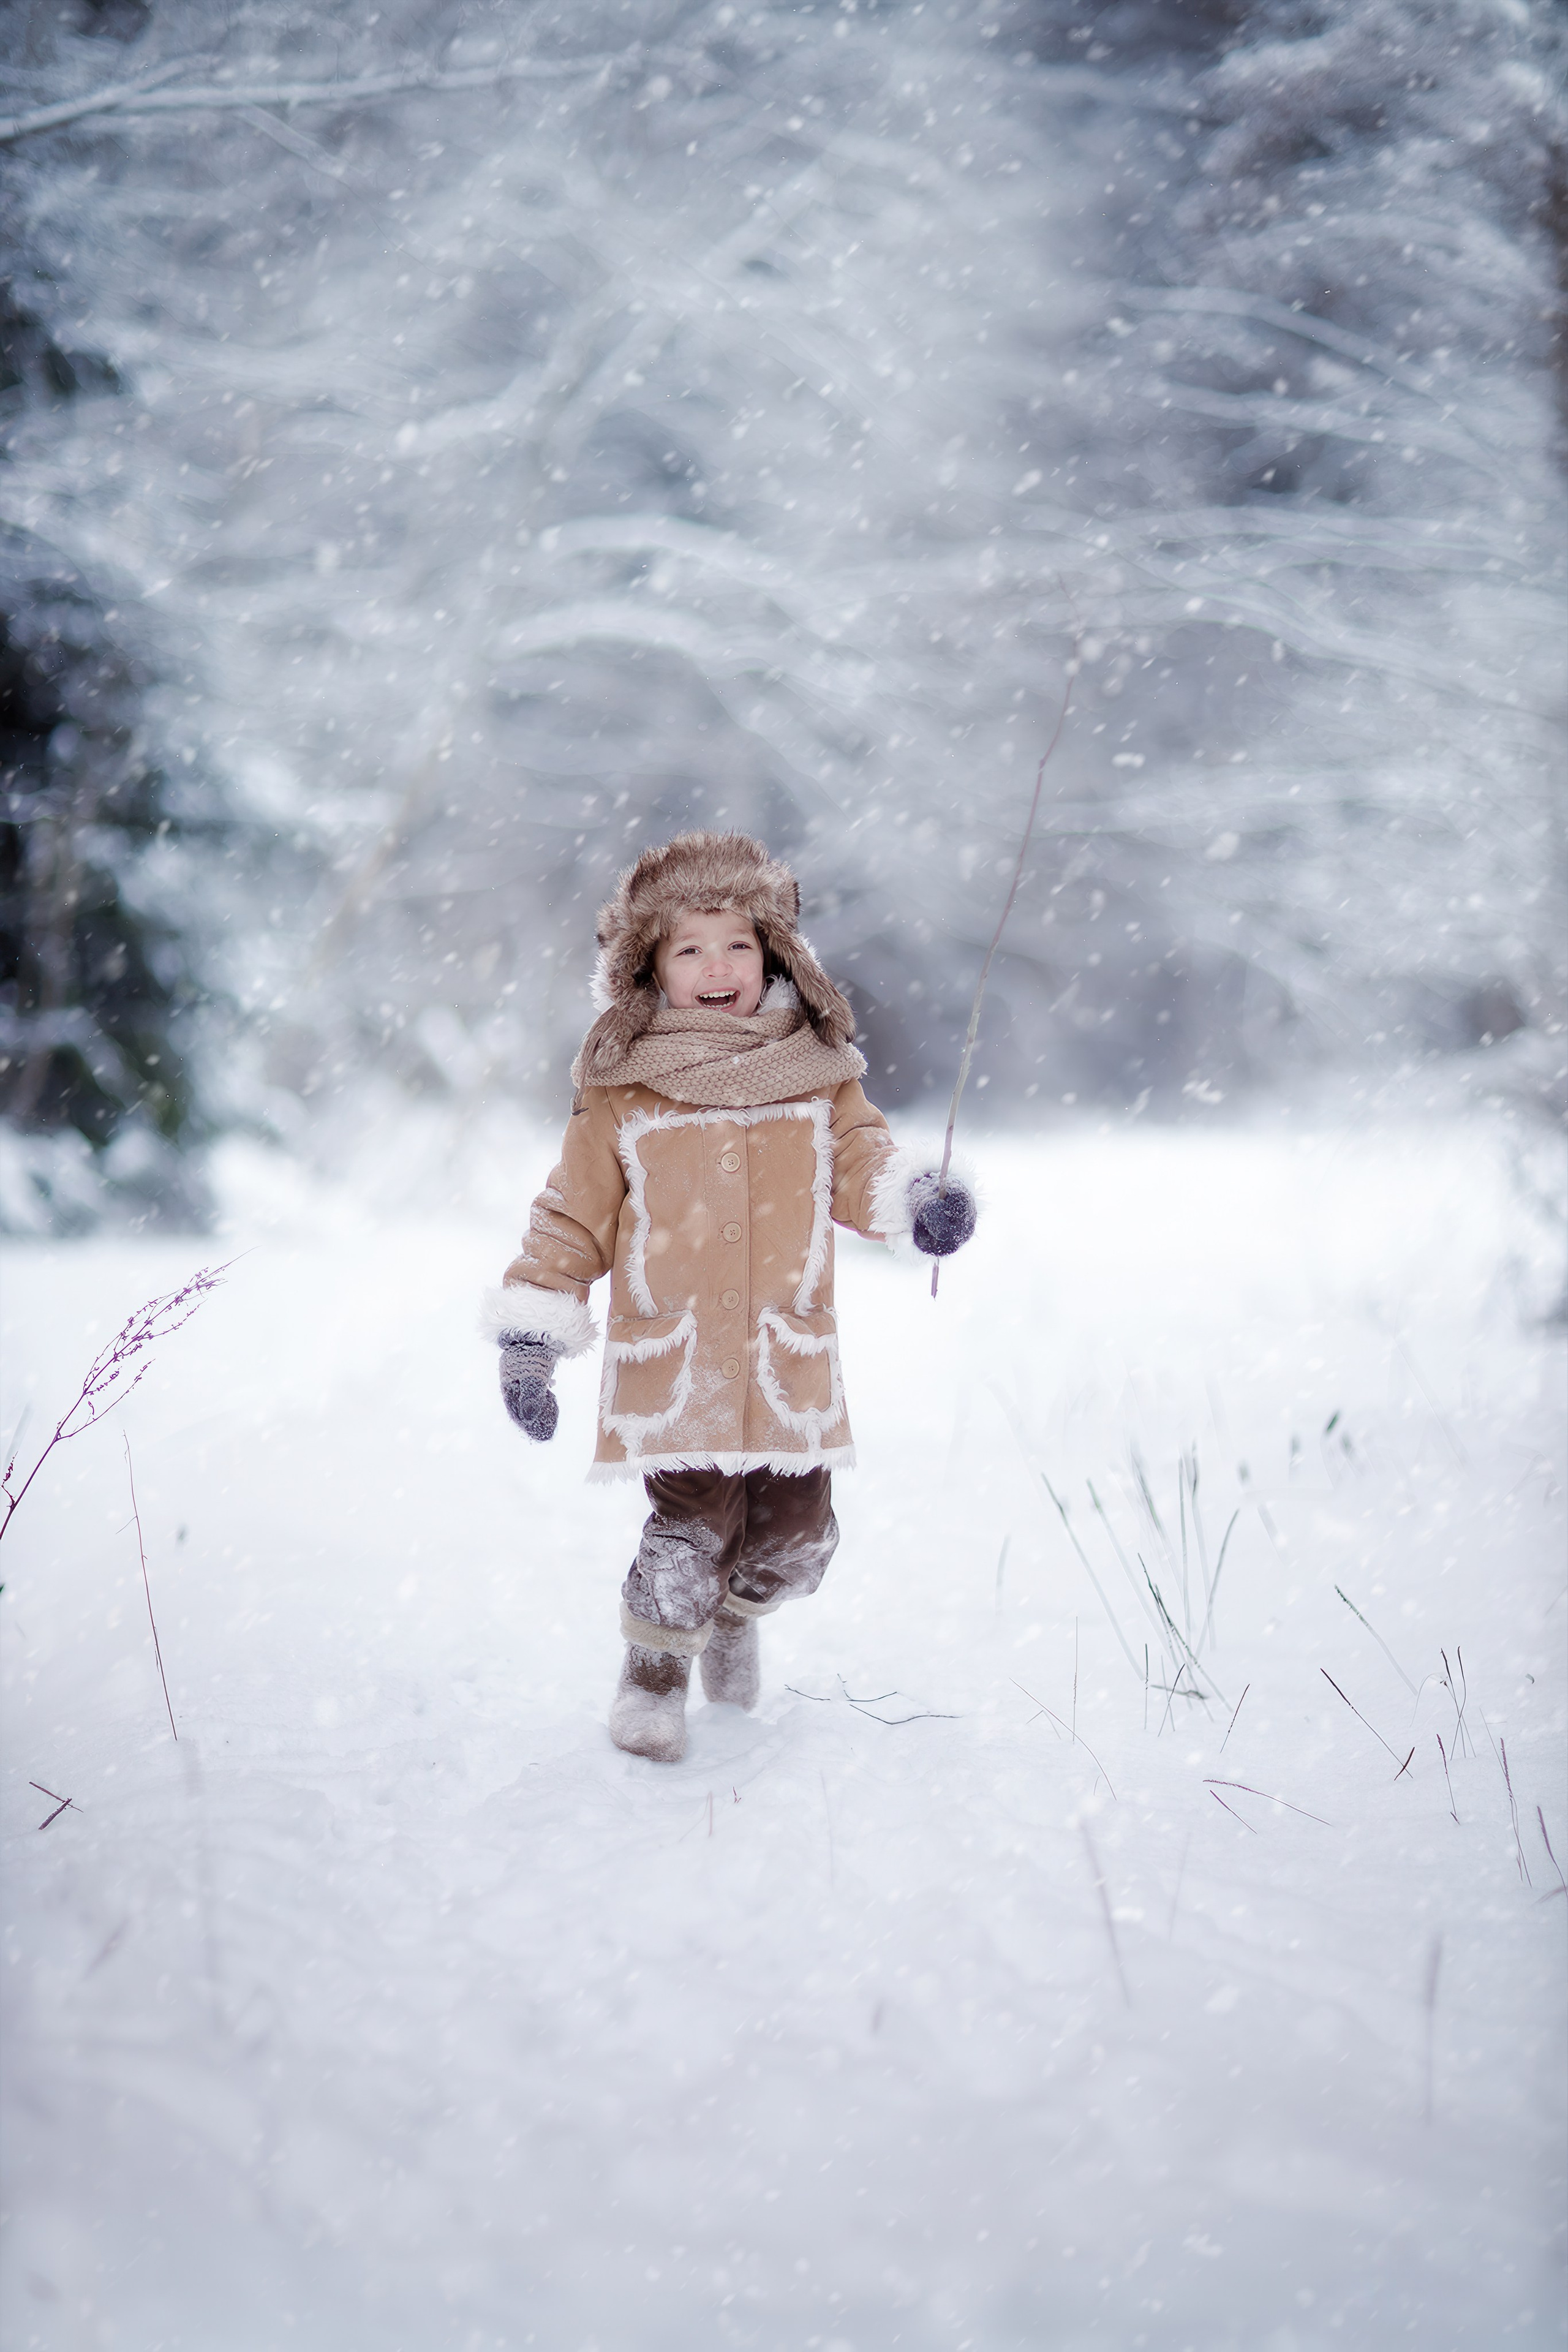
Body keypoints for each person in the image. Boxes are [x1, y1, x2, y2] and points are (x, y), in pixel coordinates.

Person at [482, 831, 977, 1762]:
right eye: (690, 948)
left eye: (739, 945)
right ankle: (654, 1683)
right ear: (651, 967)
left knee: (800, 1538)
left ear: (776, 955)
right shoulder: (625, 1088)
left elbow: (864, 1165)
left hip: (785, 1357)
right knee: (686, 1533)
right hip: (678, 1360)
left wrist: (919, 1198)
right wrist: (532, 1333)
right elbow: (572, 1216)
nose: (719, 967)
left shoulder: (820, 1073)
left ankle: (738, 1614)